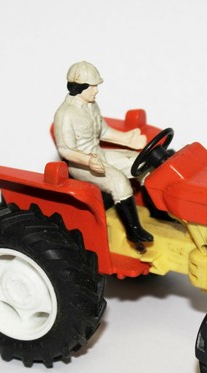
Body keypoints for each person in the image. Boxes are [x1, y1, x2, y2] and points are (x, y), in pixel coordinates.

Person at [53, 61, 153, 244]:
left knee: (142, 162)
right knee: (119, 182)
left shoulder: (92, 105)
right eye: (92, 87)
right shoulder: (65, 114)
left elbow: (103, 131)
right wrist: (88, 161)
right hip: (81, 166)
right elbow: (65, 149)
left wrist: (127, 139)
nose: (96, 90)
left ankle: (156, 211)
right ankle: (133, 230)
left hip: (99, 154)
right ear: (79, 87)